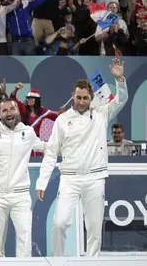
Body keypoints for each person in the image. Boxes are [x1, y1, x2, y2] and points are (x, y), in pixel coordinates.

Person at [36, 58, 127, 257]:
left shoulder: (102, 113)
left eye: (86, 98)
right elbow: (51, 152)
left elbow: (121, 100)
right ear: (73, 96)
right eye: (79, 98)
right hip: (69, 178)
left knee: (94, 228)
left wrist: (119, 79)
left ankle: (92, 262)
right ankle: (58, 261)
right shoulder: (62, 120)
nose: (82, 102)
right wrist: (41, 182)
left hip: (95, 178)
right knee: (59, 223)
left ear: (91, 97)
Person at [0, 99, 45, 257]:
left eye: (12, 109)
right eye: (4, 110)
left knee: (24, 239)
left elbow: (45, 147)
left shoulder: (28, 133)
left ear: (18, 111)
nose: (9, 113)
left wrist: (68, 145)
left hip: (20, 195)